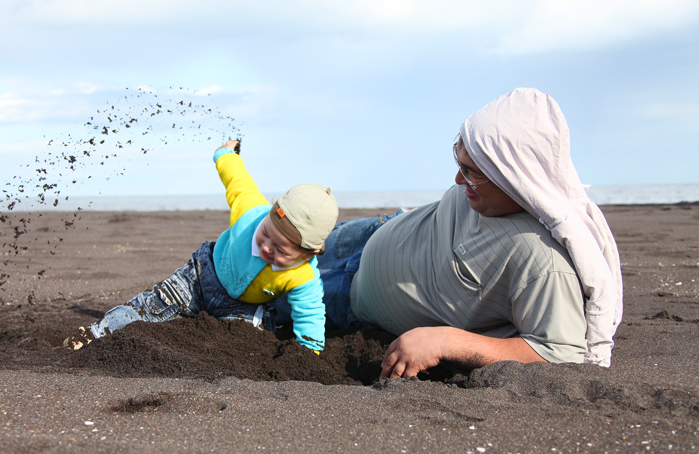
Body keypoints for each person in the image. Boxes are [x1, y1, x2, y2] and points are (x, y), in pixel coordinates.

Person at [312, 88, 623, 379]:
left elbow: (560, 354)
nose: (458, 179)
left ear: (513, 176)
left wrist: (445, 342)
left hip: (349, 294)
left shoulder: (544, 264)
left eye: (471, 172)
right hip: (373, 231)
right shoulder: (488, 195)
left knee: (265, 278)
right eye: (459, 161)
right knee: (270, 232)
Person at [64, 139, 339, 352]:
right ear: (268, 215)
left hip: (243, 307)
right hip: (200, 277)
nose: (267, 247)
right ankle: (97, 334)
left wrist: (309, 351)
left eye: (280, 250)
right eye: (265, 233)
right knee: (152, 306)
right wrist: (226, 153)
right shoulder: (251, 210)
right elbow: (237, 179)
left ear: (307, 254)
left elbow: (311, 313)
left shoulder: (304, 275)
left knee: (248, 345)